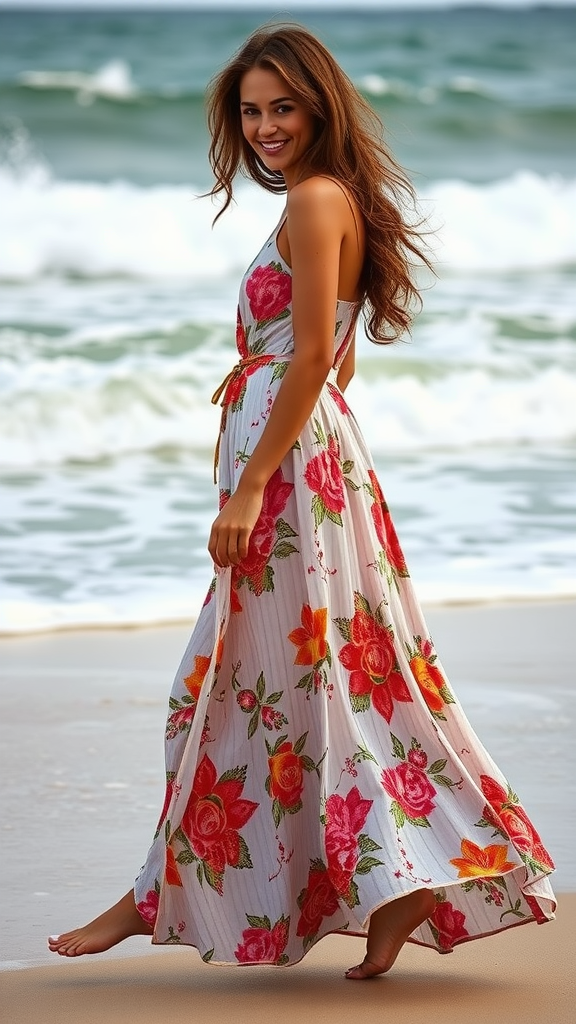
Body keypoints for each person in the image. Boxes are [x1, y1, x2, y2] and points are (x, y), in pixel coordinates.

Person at [48, 24, 555, 979]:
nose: (267, 125)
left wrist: (250, 486)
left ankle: (158, 896)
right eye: (252, 110)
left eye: (284, 107)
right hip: (313, 466)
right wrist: (294, 436)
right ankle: (392, 881)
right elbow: (334, 354)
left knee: (230, 685)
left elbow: (317, 357)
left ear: (319, 108)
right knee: (315, 684)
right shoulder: (333, 201)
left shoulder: (319, 200)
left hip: (289, 480)